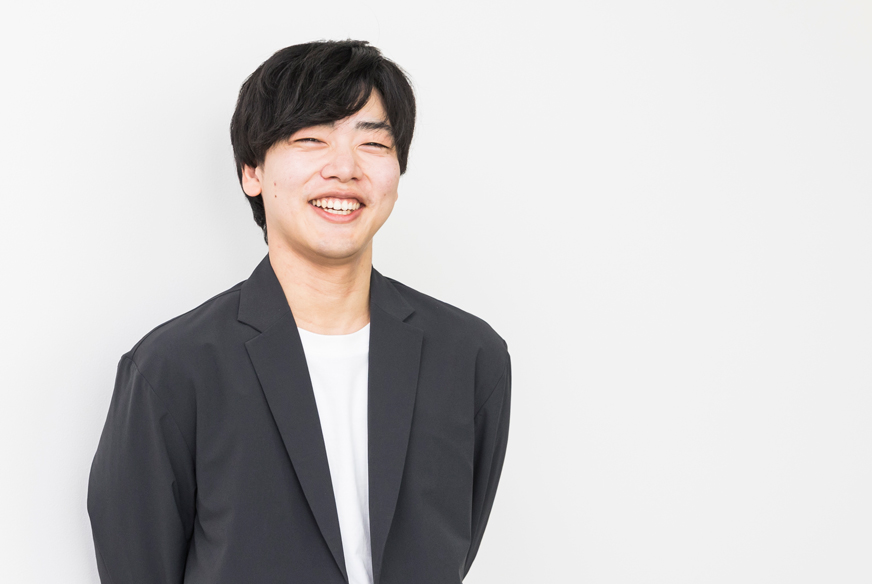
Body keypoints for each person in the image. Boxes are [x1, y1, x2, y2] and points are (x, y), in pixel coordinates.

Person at [87, 39, 511, 584]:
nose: (345, 168)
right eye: (311, 139)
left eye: (373, 143)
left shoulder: (469, 357)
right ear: (252, 171)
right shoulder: (171, 369)